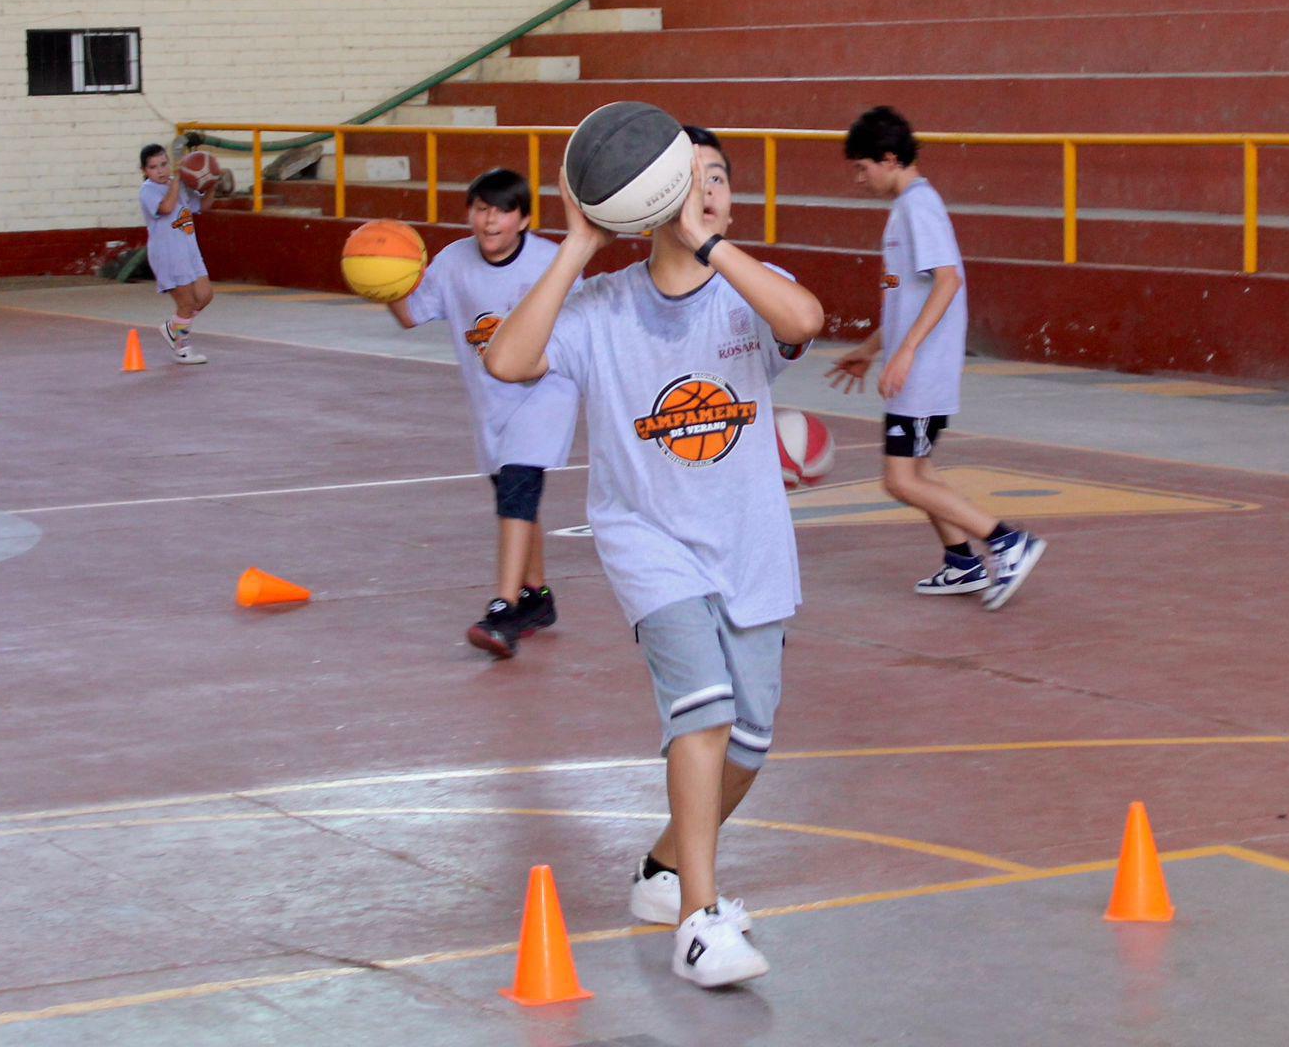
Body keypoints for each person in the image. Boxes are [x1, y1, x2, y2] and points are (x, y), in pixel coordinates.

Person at [486, 124, 824, 988]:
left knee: (748, 741)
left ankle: (666, 869)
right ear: (651, 198)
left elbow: (805, 320)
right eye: (688, 181)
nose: (705, 192)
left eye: (718, 180)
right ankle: (699, 923)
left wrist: (711, 242)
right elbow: (508, 357)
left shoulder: (755, 292)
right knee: (703, 713)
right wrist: (578, 245)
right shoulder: (602, 310)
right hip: (649, 542)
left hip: (749, 546)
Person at [826, 106, 1045, 607]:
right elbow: (913, 297)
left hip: (922, 374)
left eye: (862, 168)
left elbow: (947, 281)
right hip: (916, 370)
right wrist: (871, 348)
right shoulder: (907, 209)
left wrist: (904, 354)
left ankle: (1007, 541)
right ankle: (962, 563)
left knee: (899, 480)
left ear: (889, 158)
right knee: (920, 474)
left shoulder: (918, 207)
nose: (858, 180)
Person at [389, 168, 580, 659]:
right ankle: (538, 597)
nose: (489, 219)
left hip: (544, 394)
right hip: (490, 402)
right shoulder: (453, 262)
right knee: (515, 499)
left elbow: (584, 326)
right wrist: (383, 284)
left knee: (518, 486)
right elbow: (412, 313)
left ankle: (503, 608)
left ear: (525, 219)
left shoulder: (550, 262)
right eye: (480, 208)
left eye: (501, 210)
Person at [138, 142, 214, 365]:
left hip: (189, 250)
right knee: (187, 303)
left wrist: (212, 183)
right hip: (167, 254)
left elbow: (203, 206)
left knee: (205, 295)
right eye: (153, 167)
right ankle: (182, 348)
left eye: (164, 164)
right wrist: (179, 179)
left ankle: (173, 327)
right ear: (144, 171)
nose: (161, 170)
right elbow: (166, 208)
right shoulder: (148, 191)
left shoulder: (179, 185)